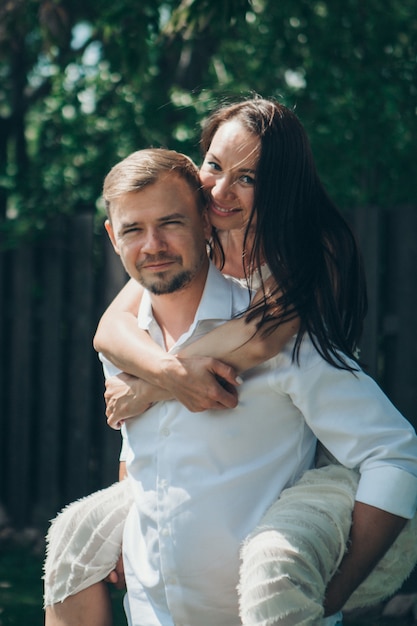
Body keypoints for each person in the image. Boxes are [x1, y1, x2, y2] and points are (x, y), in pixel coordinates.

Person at [42, 99, 417, 625]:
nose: (219, 190)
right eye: (214, 165)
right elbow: (111, 331)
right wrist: (160, 375)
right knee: (73, 543)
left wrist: (160, 382)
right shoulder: (177, 255)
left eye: (248, 178)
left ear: (279, 187)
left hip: (317, 459)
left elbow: (263, 341)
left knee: (278, 557)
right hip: (155, 604)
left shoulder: (310, 253)